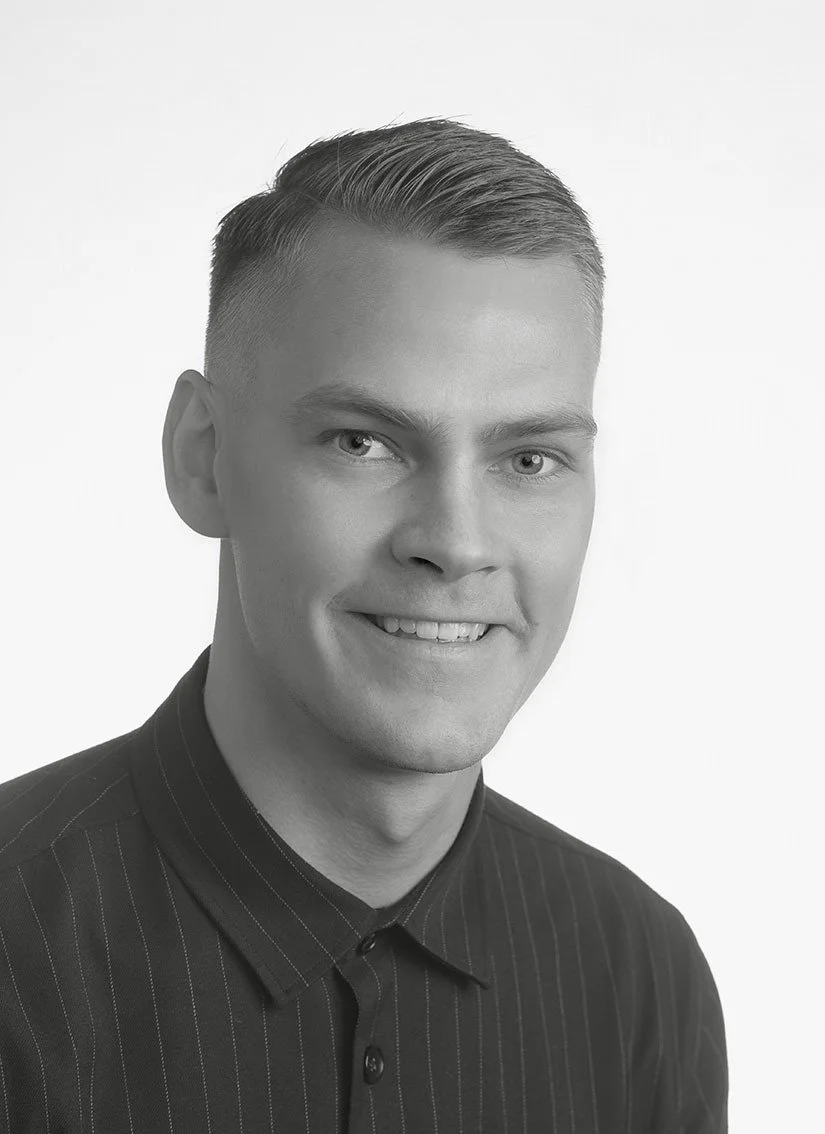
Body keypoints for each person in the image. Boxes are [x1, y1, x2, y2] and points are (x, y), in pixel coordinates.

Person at [0, 117, 728, 1132]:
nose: (456, 543)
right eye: (363, 442)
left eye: (528, 459)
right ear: (203, 458)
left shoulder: (638, 975)